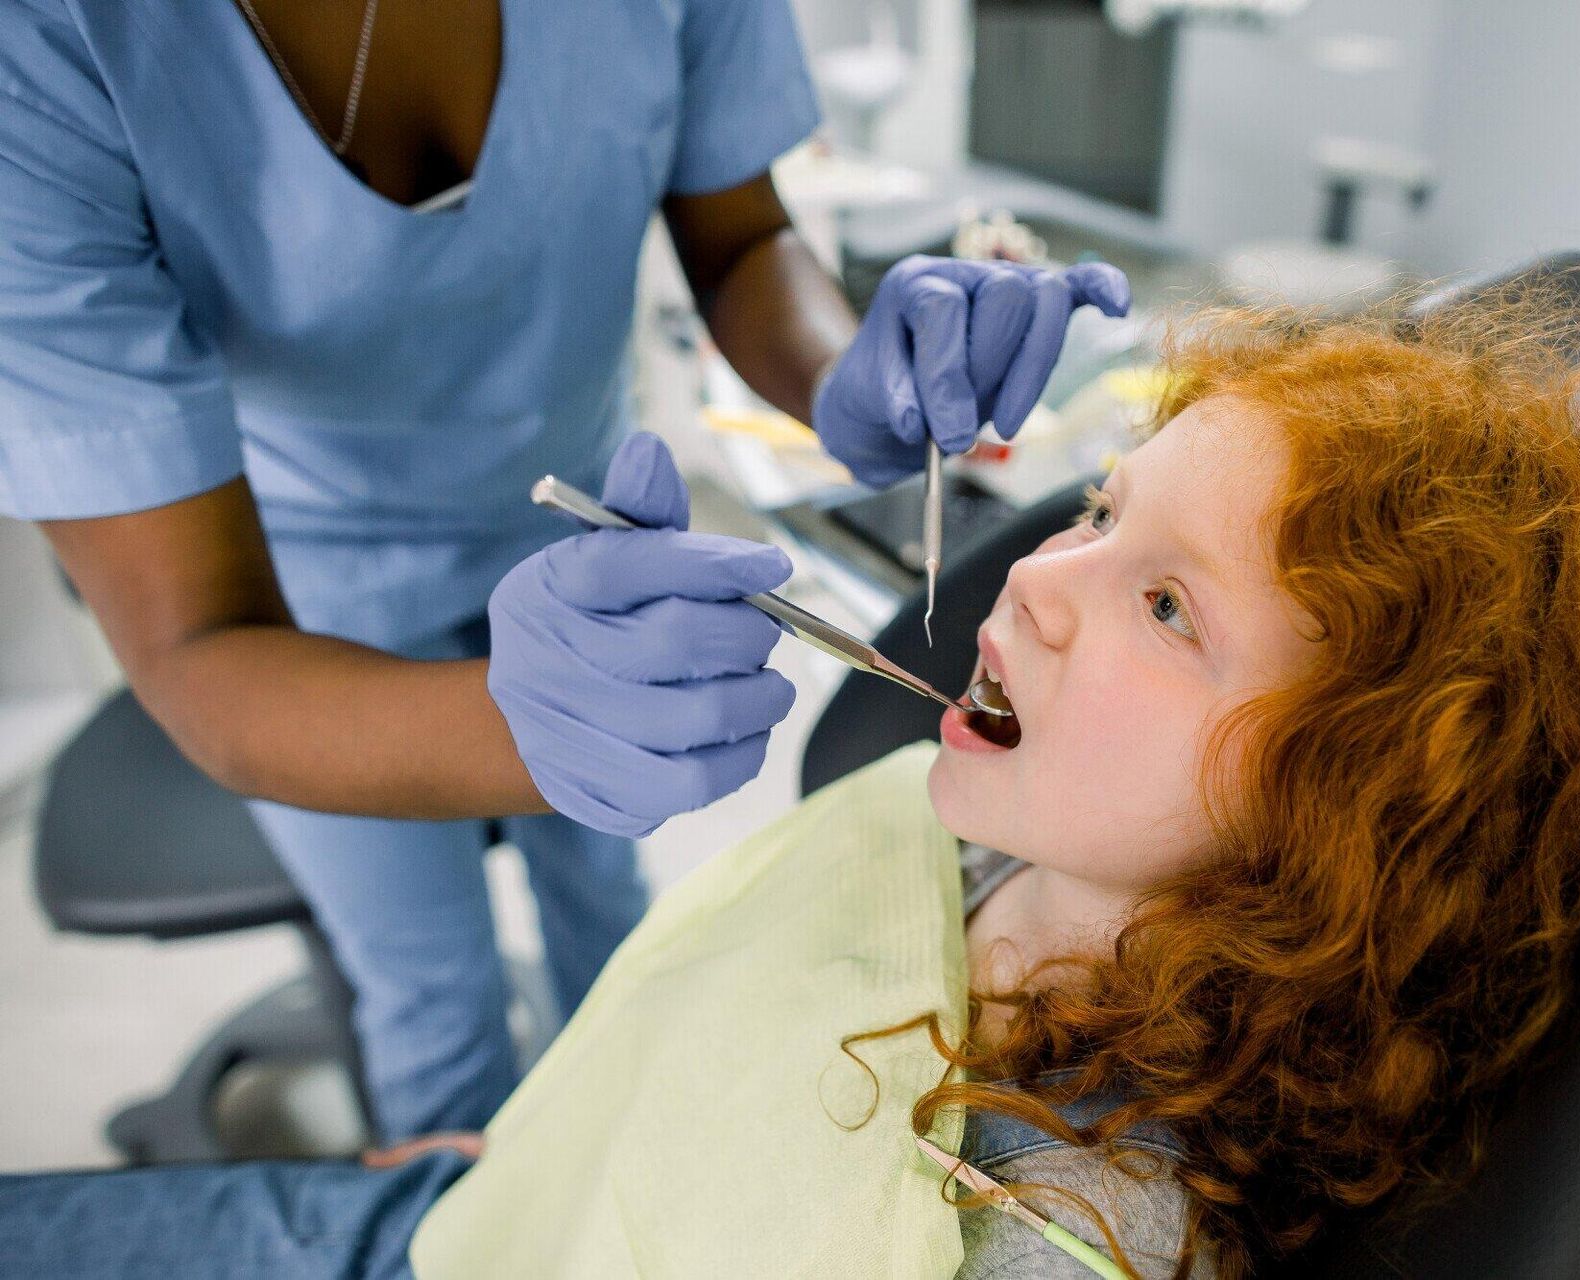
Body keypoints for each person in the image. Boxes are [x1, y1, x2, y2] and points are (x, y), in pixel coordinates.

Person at [0, 287, 1580, 1278]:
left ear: (1362, 807)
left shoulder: (1047, 1239)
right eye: (1099, 511)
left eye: (1166, 601)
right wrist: (546, 1159)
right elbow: (732, 1074)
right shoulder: (1001, 865)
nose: (1025, 579)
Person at [0, 0, 1128, 1139]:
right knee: (430, 989)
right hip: (303, 614)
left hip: (600, 528)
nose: (1032, 581)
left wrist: (846, 374)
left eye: (1161, 589)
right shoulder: (46, 50)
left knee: (611, 920)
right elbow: (196, 647)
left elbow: (738, 235)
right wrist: (519, 726)